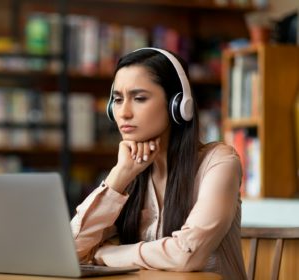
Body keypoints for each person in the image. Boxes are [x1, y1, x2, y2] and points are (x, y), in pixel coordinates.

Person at [70, 47, 247, 280]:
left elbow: (187, 254)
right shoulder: (130, 172)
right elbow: (72, 251)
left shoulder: (220, 162)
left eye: (139, 98)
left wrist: (106, 254)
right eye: (118, 99)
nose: (124, 112)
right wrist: (119, 175)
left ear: (178, 105)